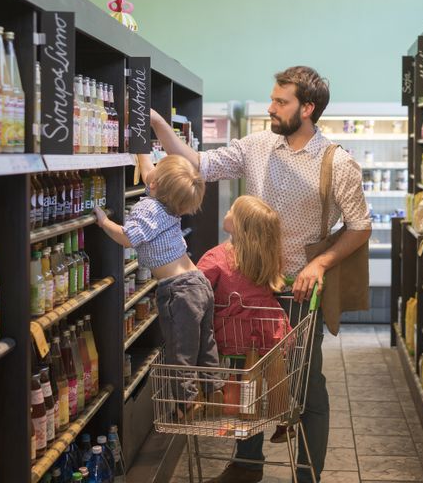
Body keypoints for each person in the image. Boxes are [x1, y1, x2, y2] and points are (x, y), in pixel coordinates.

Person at [150, 66, 371, 483]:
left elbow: (360, 226)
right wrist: (158, 124)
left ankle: (307, 475)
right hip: (245, 285)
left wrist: (319, 264)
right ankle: (247, 464)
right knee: (243, 375)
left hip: (296, 291)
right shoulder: (256, 145)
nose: (270, 108)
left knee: (305, 388)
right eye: (272, 99)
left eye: (281, 101)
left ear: (307, 108)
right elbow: (198, 162)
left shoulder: (336, 163)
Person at [94, 153, 220, 415]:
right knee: (204, 342)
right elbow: (152, 171)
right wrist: (141, 152)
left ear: (154, 185)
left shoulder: (148, 208)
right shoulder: (169, 203)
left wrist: (104, 221)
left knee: (180, 349)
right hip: (198, 283)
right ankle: (214, 390)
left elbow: (128, 238)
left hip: (179, 290)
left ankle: (187, 402)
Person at [198, 195, 293, 443]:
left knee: (241, 373)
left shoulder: (216, 258)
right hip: (268, 330)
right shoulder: (268, 254)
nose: (226, 211)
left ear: (239, 225)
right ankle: (282, 416)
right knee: (274, 368)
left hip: (232, 334)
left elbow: (197, 287)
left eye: (231, 210)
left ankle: (235, 412)